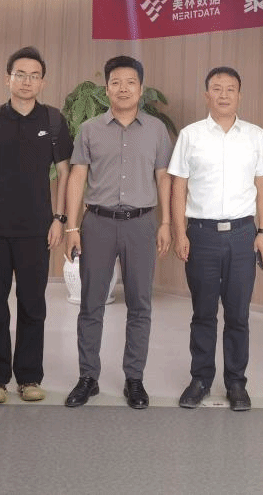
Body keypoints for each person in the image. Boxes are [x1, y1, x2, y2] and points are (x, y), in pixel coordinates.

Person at [63, 55, 172, 410]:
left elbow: (164, 178)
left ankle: (134, 378)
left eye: (130, 82)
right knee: (91, 302)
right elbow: (77, 177)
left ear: (141, 88)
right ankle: (88, 377)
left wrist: (166, 223)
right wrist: (72, 226)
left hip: (141, 224)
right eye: (116, 82)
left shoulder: (156, 130)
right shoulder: (89, 129)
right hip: (97, 223)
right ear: (106, 88)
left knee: (140, 303)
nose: (123, 88)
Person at [0, 46, 72, 405]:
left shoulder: (53, 121)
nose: (27, 81)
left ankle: (28, 377)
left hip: (36, 230)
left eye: (34, 76)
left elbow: (65, 173)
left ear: (43, 82)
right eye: (20, 74)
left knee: (32, 305)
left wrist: (59, 218)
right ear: (7, 78)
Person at [168, 67, 263, 411]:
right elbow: (178, 187)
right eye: (217, 88)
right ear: (207, 95)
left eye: (231, 89)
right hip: (200, 235)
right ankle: (200, 379)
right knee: (203, 313)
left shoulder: (256, 135)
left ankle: (236, 383)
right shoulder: (190, 135)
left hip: (243, 235)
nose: (224, 94)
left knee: (238, 315)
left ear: (240, 95)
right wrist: (179, 232)